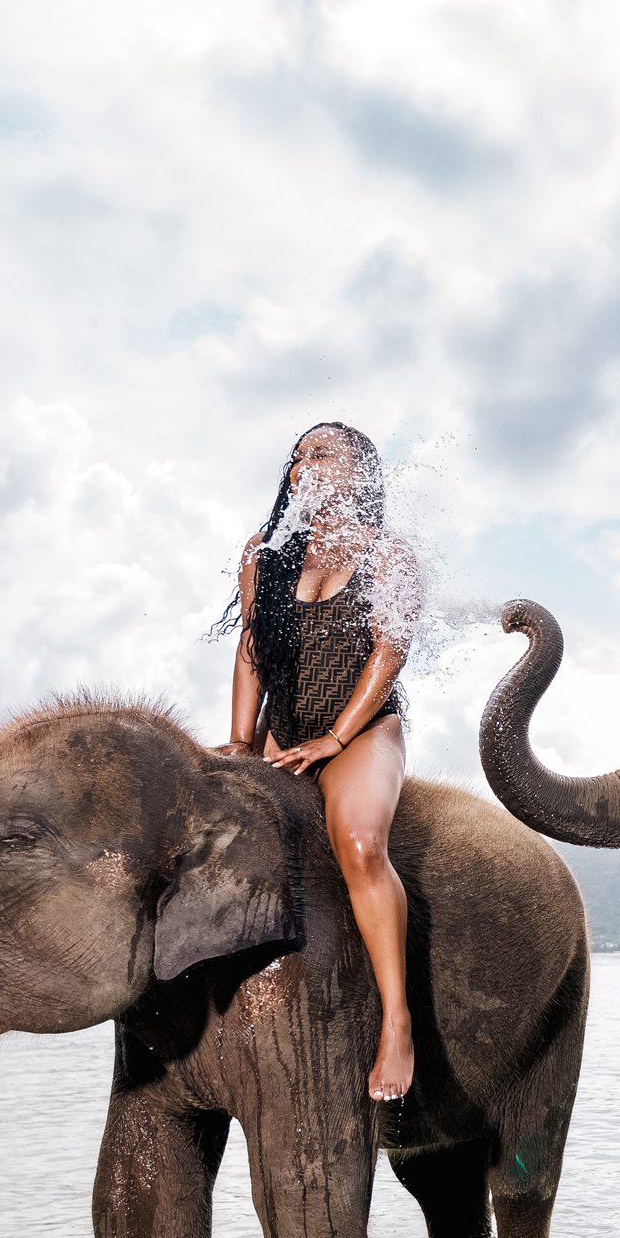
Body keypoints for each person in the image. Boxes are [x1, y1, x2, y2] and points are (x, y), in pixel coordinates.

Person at [212, 422, 418, 1101]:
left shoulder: (389, 556)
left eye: (324, 453)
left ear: (361, 472)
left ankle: (396, 1021)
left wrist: (336, 739)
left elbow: (390, 654)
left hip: (363, 727)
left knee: (359, 844)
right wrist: (242, 743)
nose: (306, 466)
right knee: (221, 835)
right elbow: (251, 650)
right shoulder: (264, 551)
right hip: (286, 725)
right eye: (299, 457)